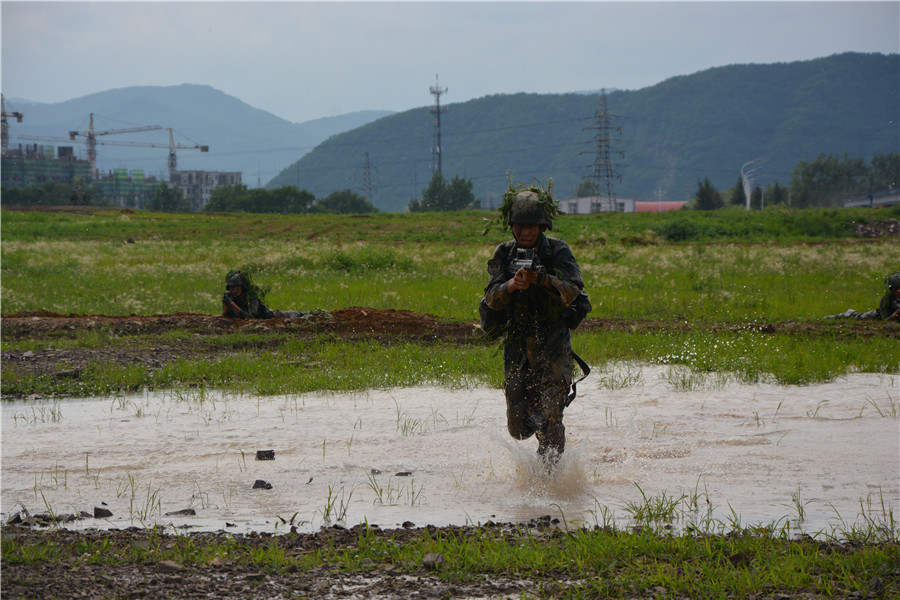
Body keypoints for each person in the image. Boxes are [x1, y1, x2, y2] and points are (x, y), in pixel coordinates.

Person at [481, 182, 591, 463]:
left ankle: (550, 475)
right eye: (520, 226)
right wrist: (511, 286)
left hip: (553, 345)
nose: (525, 232)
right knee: (518, 428)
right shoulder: (504, 253)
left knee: (551, 414)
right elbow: (490, 298)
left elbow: (574, 289)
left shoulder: (557, 251)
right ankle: (542, 438)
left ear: (542, 226)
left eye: (531, 226)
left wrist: (544, 280)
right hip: (518, 350)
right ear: (512, 226)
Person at [221, 270, 305, 319]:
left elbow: (250, 317)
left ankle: (303, 313)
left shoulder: (251, 297)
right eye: (232, 288)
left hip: (268, 315)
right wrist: (227, 306)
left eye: (237, 288)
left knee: (290, 315)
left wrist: (233, 304)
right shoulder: (229, 297)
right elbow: (226, 315)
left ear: (242, 288)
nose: (234, 291)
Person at [825, 272, 900, 321]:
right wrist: (893, 317)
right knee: (858, 317)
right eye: (895, 289)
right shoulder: (887, 300)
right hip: (877, 316)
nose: (898, 291)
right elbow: (884, 321)